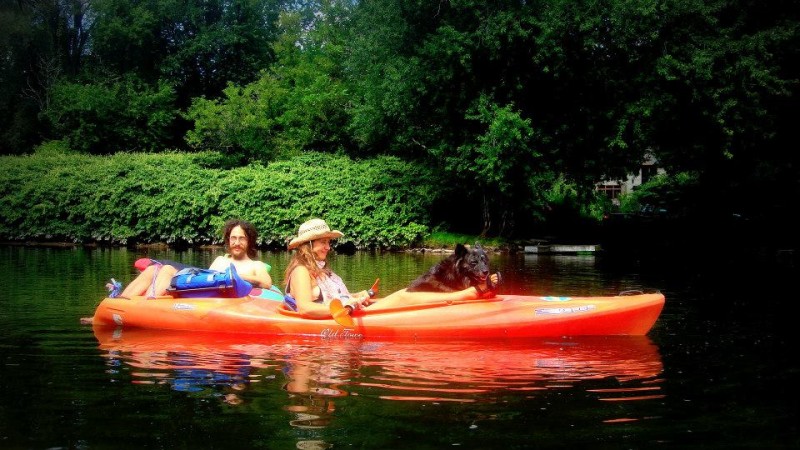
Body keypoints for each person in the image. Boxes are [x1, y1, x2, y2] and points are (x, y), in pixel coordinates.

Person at [283, 218, 498, 319]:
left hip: (351, 311)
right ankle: (467, 294)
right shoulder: (301, 271)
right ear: (307, 245)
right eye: (322, 242)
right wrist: (347, 307)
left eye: (329, 242)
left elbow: (336, 297)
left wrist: (356, 296)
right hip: (343, 317)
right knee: (404, 297)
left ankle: (460, 296)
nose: (328, 247)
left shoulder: (324, 270)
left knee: (404, 294)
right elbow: (306, 309)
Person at [110, 219, 271, 298]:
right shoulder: (221, 260)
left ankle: (146, 305)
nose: (236, 242)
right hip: (200, 289)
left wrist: (236, 275)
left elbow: (266, 283)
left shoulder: (255, 265)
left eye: (241, 238)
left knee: (167, 269)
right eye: (233, 238)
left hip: (211, 298)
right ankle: (119, 304)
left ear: (249, 241)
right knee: (154, 269)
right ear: (228, 240)